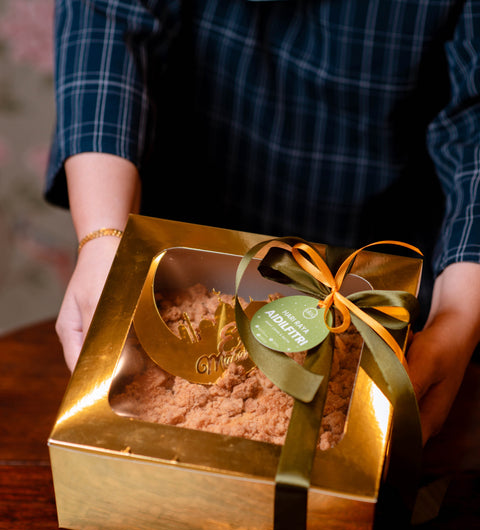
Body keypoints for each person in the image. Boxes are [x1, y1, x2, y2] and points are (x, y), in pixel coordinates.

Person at [45, 0, 480, 446]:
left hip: (380, 265)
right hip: (188, 245)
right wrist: (104, 238)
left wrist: (461, 313)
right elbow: (108, 18)